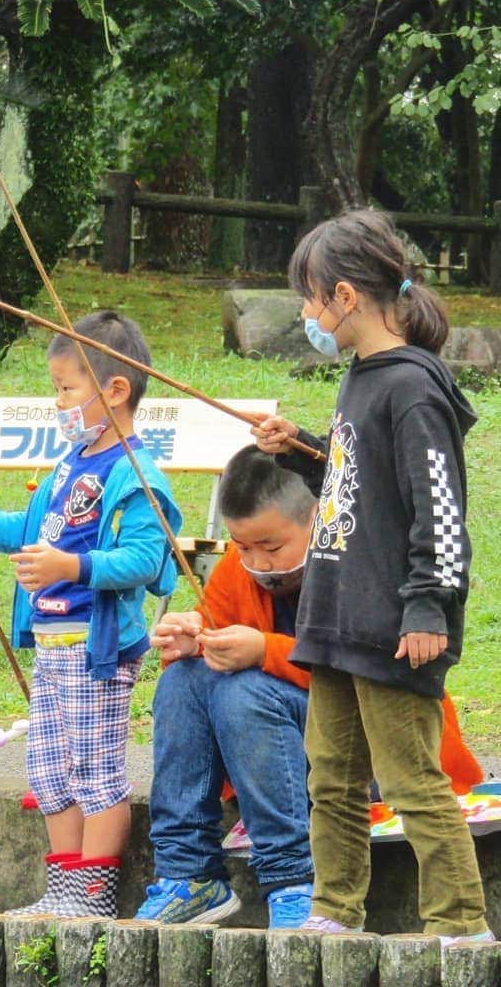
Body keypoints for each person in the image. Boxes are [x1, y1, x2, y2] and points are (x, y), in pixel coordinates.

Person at [253, 209, 493, 946]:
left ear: (347, 297)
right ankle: (336, 910)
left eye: (312, 297)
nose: (307, 314)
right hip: (336, 617)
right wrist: (302, 452)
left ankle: (460, 926)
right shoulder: (360, 379)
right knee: (330, 779)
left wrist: (427, 607)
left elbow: (440, 512)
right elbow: (363, 485)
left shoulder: (414, 389)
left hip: (394, 627)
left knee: (413, 781)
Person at [137, 445, 483, 930]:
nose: (257, 561)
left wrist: (263, 651)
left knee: (244, 693)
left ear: (319, 517)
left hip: (370, 754)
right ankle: (188, 873)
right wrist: (193, 632)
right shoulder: (242, 568)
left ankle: (296, 878)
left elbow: (369, 672)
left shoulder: (359, 568)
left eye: (272, 547)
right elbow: (218, 618)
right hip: (278, 747)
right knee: (184, 679)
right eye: (242, 546)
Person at [0, 311, 181, 918]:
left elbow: (147, 560)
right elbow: (36, 530)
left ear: (115, 390)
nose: (59, 401)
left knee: (96, 772)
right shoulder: (71, 461)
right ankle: (62, 892)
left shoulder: (135, 473)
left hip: (98, 649)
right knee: (48, 770)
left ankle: (93, 898)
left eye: (68, 389)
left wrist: (71, 569)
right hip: (52, 643)